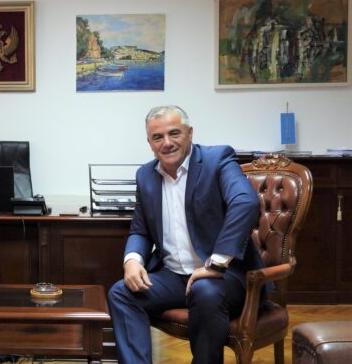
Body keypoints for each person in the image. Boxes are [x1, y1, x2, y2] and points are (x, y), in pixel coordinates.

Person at [108, 105, 262, 364]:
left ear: (190, 133)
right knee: (122, 293)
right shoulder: (145, 175)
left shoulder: (217, 159)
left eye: (174, 133)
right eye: (157, 137)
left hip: (226, 277)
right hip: (173, 277)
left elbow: (245, 202)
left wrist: (216, 263)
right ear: (149, 143)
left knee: (205, 290)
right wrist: (132, 260)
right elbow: (140, 230)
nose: (167, 143)